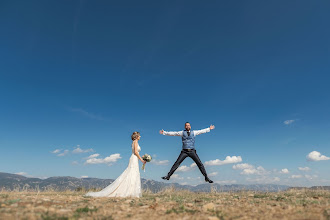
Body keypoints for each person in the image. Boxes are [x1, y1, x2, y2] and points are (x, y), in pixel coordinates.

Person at [85, 132, 146, 197]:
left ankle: (131, 191)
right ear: (136, 136)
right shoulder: (135, 142)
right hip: (134, 159)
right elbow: (136, 152)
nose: (140, 137)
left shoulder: (134, 142)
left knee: (133, 173)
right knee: (132, 173)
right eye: (139, 136)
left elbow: (136, 152)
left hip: (134, 158)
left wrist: (142, 157)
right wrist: (141, 160)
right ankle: (128, 191)